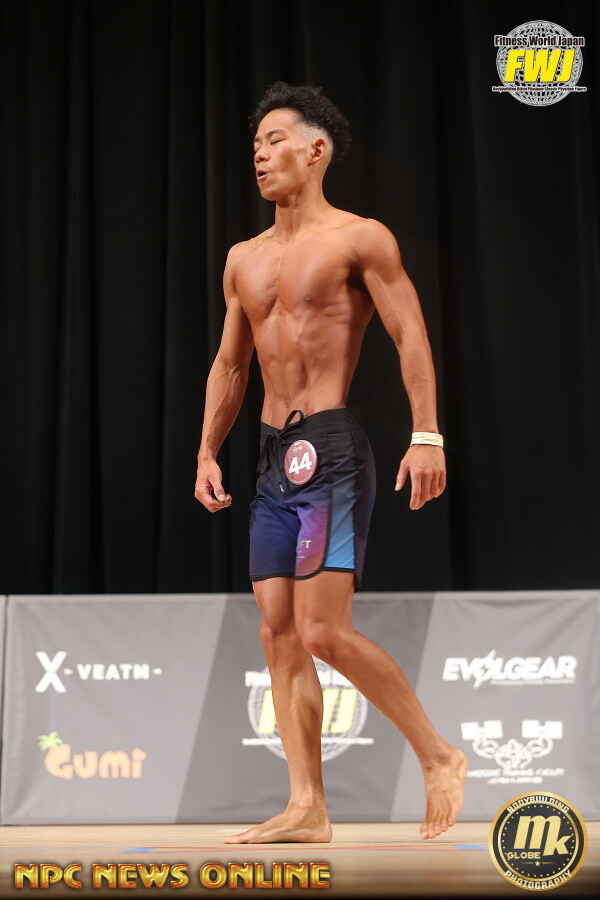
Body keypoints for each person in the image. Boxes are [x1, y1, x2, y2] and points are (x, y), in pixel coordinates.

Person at [195, 81, 467, 843]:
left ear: (316, 150)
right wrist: (206, 451)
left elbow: (409, 333)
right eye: (255, 144)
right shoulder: (243, 259)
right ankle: (307, 806)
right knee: (277, 631)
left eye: (275, 140)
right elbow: (230, 364)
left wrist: (427, 433)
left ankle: (439, 754)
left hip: (332, 449)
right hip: (271, 457)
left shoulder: (360, 238)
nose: (260, 154)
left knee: (321, 630)